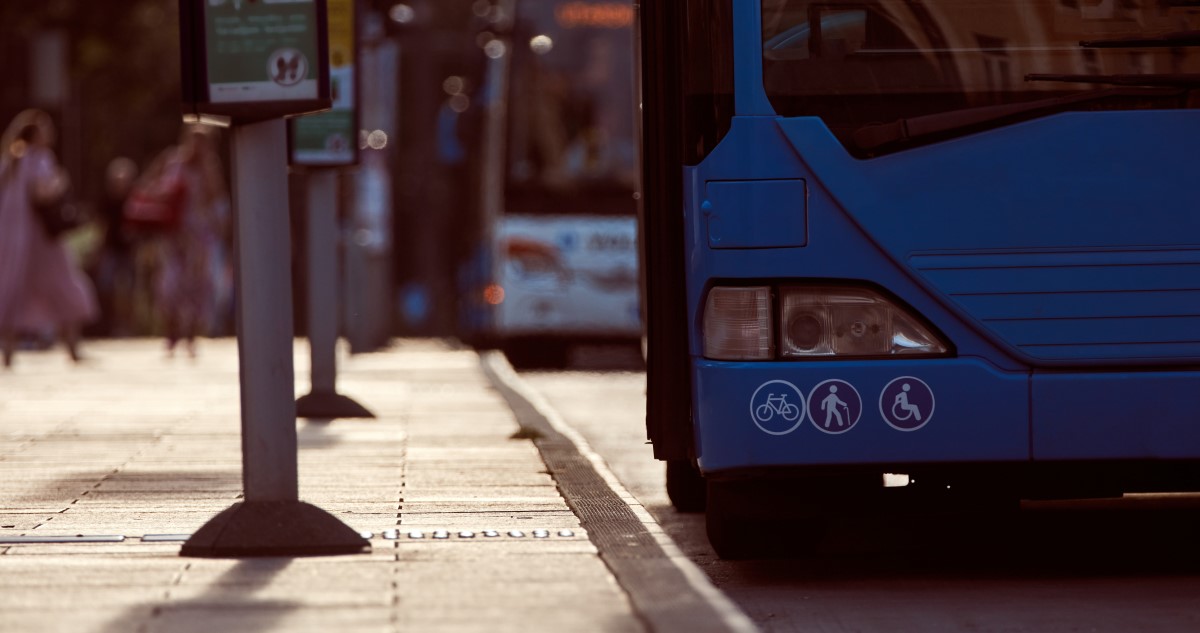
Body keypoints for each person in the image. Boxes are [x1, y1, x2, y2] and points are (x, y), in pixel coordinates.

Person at [0, 109, 99, 367]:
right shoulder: (40, 158)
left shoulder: (11, 159)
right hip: (42, 239)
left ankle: (8, 351)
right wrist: (61, 183)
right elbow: (42, 193)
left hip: (13, 239)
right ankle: (73, 348)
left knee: (11, 290)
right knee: (64, 284)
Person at [141, 124, 230, 357]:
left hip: (198, 234)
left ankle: (190, 334)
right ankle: (171, 332)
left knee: (196, 285)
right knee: (169, 284)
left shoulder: (209, 167)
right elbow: (147, 184)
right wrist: (163, 194)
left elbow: (216, 199)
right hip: (172, 232)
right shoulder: (171, 160)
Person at [88, 156, 139, 337]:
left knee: (129, 291)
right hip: (111, 250)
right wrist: (97, 249)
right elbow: (100, 226)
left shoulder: (135, 199)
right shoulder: (106, 200)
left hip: (128, 252)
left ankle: (128, 327)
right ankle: (108, 326)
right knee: (106, 288)